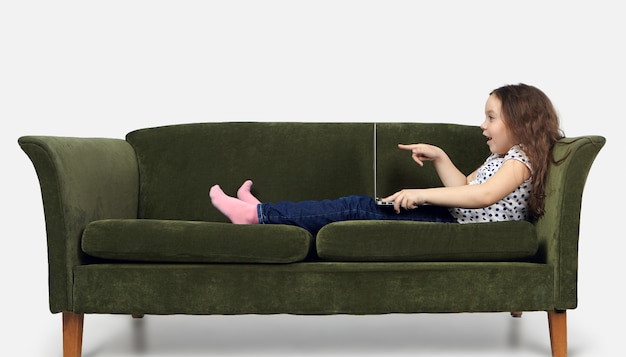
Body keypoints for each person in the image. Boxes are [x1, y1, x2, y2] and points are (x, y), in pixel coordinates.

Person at [209, 83, 564, 234]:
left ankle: (256, 215)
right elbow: (466, 187)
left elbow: (481, 197)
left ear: (520, 123)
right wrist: (440, 156)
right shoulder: (504, 158)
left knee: (354, 208)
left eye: (491, 117)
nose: (482, 125)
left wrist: (421, 194)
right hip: (452, 219)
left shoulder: (521, 159)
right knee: (355, 205)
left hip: (454, 230)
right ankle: (263, 213)